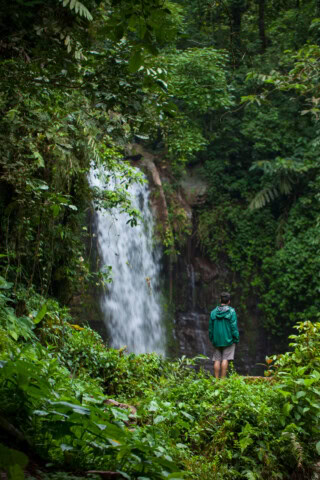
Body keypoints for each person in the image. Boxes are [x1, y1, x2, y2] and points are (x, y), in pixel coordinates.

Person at [209, 292, 239, 379]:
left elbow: (210, 328)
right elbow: (234, 327)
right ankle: (222, 381)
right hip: (228, 339)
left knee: (217, 359)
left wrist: (212, 338)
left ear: (220, 300)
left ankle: (216, 380)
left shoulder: (213, 312)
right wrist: (236, 338)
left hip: (216, 340)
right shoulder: (232, 311)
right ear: (229, 301)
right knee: (225, 359)